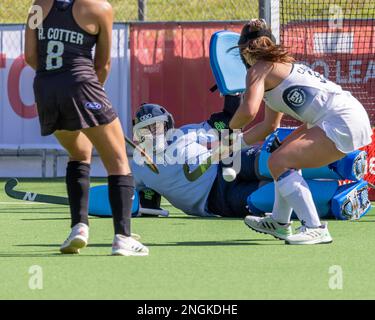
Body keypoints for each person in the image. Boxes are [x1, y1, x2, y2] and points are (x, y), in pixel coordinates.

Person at [229, 19, 373, 245]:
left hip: (341, 120)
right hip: (348, 115)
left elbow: (248, 111)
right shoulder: (278, 68)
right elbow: (269, 126)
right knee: (283, 156)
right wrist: (234, 145)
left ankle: (315, 228)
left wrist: (228, 132)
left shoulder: (259, 69)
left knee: (278, 162)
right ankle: (280, 222)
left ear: (244, 50)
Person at [25, 0, 148, 256]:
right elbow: (102, 65)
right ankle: (123, 238)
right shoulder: (100, 8)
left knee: (80, 153)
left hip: (46, 89)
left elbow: (30, 57)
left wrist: (57, 80)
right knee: (118, 160)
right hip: (82, 85)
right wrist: (89, 95)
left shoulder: (38, 5)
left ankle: (79, 227)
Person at [131, 103, 266, 218]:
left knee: (268, 162)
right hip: (215, 199)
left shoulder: (186, 132)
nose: (152, 133)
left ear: (167, 124)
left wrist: (232, 95)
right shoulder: (138, 165)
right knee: (265, 197)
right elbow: (141, 200)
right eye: (145, 130)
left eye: (155, 127)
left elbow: (227, 122)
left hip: (224, 162)